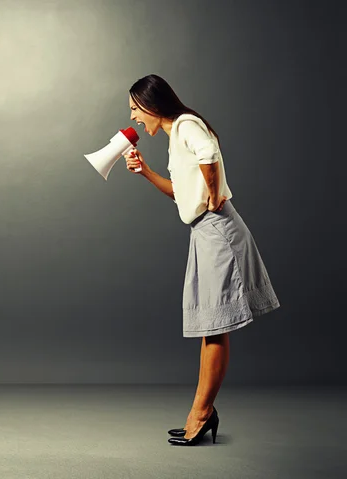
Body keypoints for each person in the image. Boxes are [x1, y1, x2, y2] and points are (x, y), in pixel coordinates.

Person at [124, 74, 280, 446]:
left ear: (151, 104)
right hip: (204, 232)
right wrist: (146, 172)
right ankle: (201, 412)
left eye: (134, 109)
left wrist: (213, 195)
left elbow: (209, 154)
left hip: (216, 230)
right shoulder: (176, 135)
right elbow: (180, 193)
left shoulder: (185, 125)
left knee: (213, 327)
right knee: (212, 327)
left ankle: (201, 414)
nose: (133, 118)